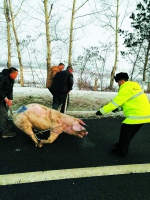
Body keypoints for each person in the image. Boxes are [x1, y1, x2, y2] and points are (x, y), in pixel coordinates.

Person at [96, 72, 150, 157]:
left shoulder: (125, 88)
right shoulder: (133, 87)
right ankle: (122, 145)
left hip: (137, 115)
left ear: (122, 81)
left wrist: (102, 111)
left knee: (126, 131)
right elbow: (129, 103)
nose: (118, 84)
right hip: (144, 114)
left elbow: (115, 103)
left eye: (118, 82)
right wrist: (117, 109)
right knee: (129, 133)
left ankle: (121, 151)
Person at [0, 67, 18, 138]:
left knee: (4, 112)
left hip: (2, 97)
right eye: (16, 75)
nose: (17, 76)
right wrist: (5, 99)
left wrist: (10, 99)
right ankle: (5, 132)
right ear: (12, 74)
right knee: (3, 113)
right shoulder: (2, 77)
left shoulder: (11, 80)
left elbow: (10, 90)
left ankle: (4, 126)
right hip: (1, 97)